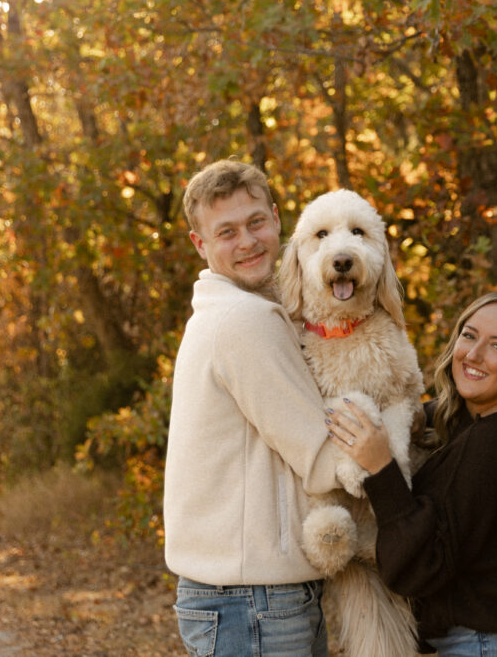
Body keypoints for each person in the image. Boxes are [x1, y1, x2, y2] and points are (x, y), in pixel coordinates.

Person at [325, 289, 497, 656]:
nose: (473, 355)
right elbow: (445, 418)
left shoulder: (496, 443)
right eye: (469, 335)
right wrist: (410, 415)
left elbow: (421, 566)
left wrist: (382, 468)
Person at [164, 159, 344, 656]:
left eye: (255, 222)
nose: (247, 241)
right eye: (226, 232)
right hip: (254, 600)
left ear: (277, 218)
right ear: (200, 245)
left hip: (244, 596)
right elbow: (324, 459)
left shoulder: (223, 314)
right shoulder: (246, 321)